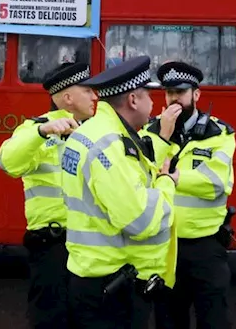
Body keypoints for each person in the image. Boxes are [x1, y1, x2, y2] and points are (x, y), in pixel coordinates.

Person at [60, 56, 179, 329]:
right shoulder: (110, 145)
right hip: (112, 288)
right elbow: (140, 221)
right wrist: (166, 183)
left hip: (91, 276)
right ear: (133, 100)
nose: (154, 102)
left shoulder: (90, 132)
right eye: (149, 93)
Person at [0, 62, 97, 329]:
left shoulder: (98, 131)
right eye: (88, 91)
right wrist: (42, 132)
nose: (95, 96)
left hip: (93, 245)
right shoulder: (36, 129)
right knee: (50, 319)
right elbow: (7, 162)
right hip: (52, 246)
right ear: (67, 98)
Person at [148, 61, 236, 329]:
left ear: (196, 95)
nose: (174, 99)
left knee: (214, 320)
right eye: (169, 93)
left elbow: (218, 183)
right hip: (165, 245)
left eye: (181, 92)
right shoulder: (151, 131)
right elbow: (143, 177)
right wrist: (163, 134)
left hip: (206, 246)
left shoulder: (218, 134)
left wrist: (176, 179)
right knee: (168, 319)